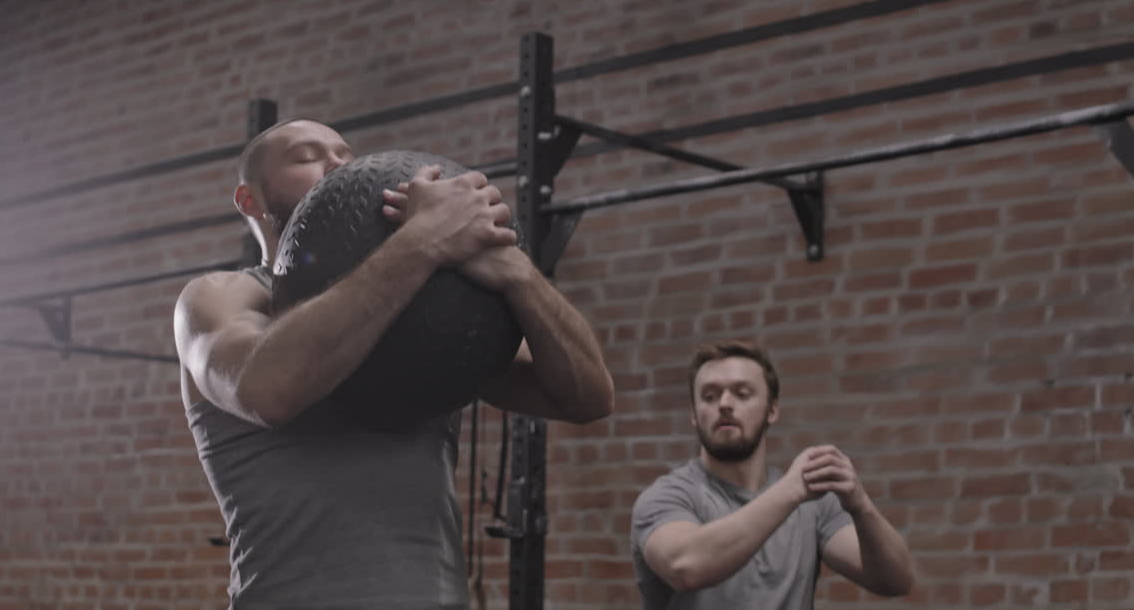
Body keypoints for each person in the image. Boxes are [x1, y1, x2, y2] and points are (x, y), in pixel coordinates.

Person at [172, 118, 615, 609]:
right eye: (306, 156)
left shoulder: (417, 292)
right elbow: (267, 390)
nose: (337, 164)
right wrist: (421, 242)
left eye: (345, 154)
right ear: (249, 200)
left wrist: (518, 273)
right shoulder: (219, 298)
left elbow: (587, 397)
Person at [630, 340, 912, 609]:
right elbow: (685, 567)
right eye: (709, 396)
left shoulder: (812, 504)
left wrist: (861, 506)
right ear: (694, 414)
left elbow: (895, 580)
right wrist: (791, 490)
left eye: (742, 393)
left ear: (772, 410)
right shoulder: (667, 497)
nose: (724, 404)